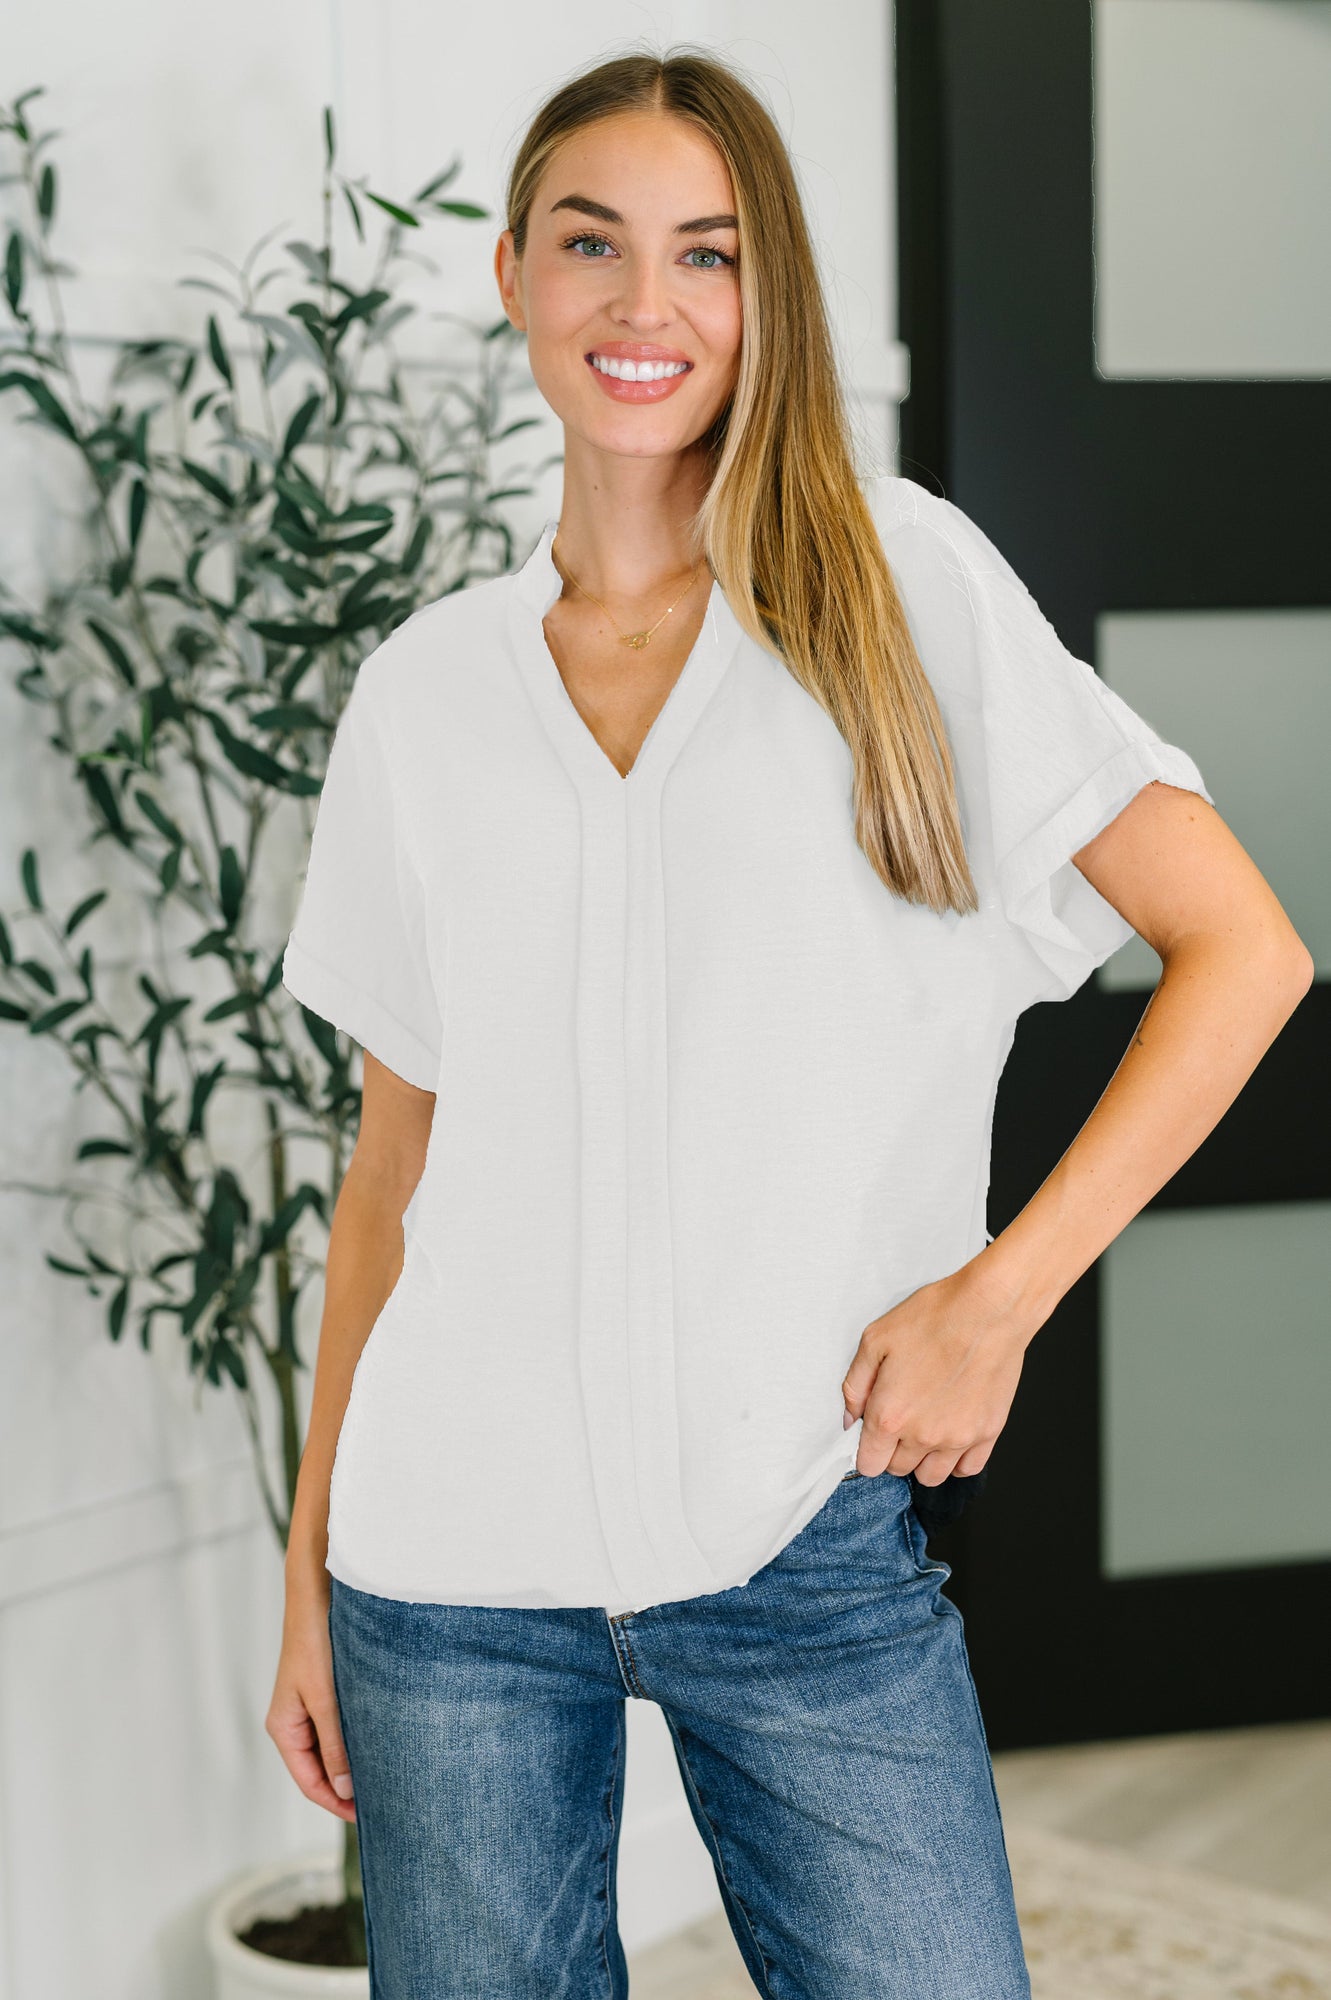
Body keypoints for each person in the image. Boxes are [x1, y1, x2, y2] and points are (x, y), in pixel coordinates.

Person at [265, 46, 1312, 2000]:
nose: (643, 303)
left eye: (708, 253)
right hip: (445, 1566)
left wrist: (996, 1301)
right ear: (512, 273)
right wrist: (311, 1571)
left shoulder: (899, 589)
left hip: (805, 1528)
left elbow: (1243, 949)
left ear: (771, 295)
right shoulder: (424, 694)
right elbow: (393, 1165)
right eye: (592, 242)